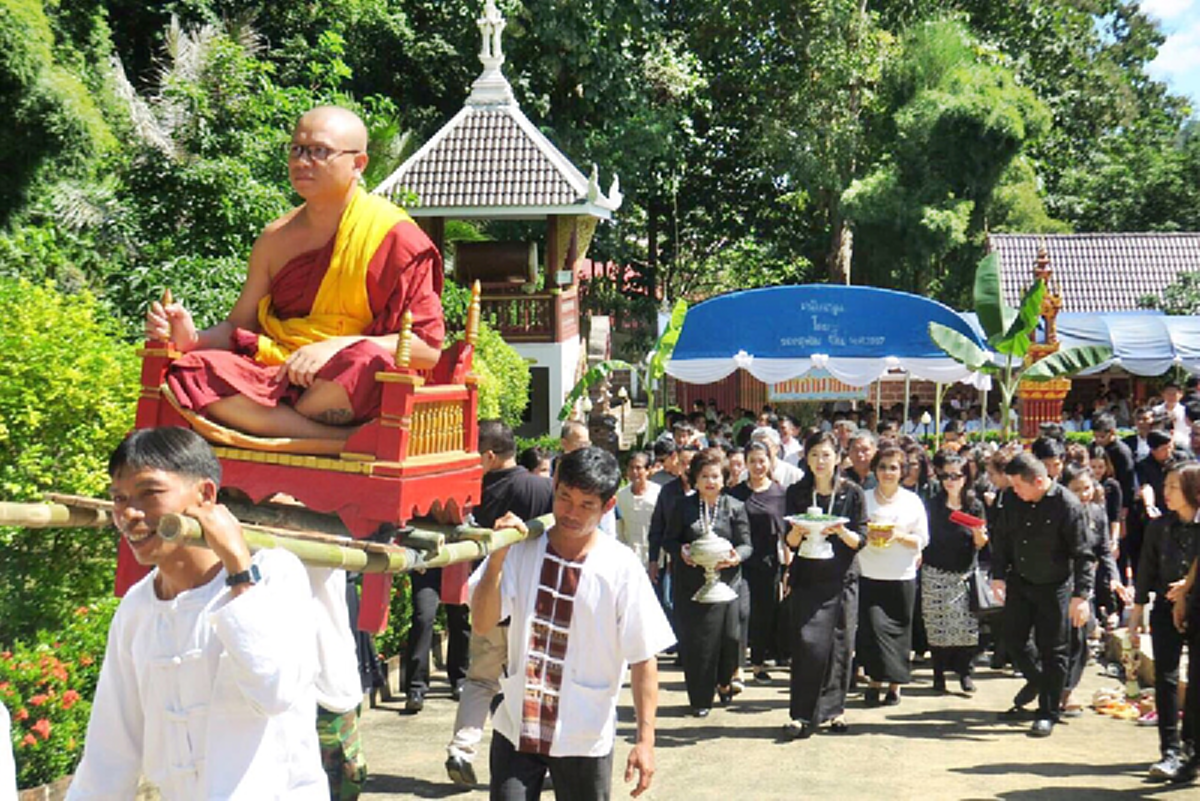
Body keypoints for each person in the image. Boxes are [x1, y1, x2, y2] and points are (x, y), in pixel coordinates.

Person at [149, 106, 444, 440]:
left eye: (319, 151)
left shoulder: (394, 236)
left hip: (345, 382)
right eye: (297, 149)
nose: (303, 161)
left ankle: (277, 423)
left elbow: (427, 348)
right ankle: (332, 439)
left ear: (358, 164)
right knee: (192, 371)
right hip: (280, 372)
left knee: (366, 359)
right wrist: (193, 338)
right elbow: (239, 326)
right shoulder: (276, 238)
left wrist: (333, 347)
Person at [67, 428, 325, 798]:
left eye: (149, 493)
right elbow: (109, 755)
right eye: (119, 498)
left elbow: (274, 691)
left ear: (205, 495)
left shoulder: (275, 574)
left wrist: (238, 570)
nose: (130, 514)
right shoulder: (136, 609)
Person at [469, 447, 675, 800]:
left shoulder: (621, 567)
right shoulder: (521, 549)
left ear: (608, 506)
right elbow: (483, 621)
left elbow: (643, 657)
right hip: (517, 724)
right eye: (565, 497)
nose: (570, 512)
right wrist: (497, 557)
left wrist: (645, 741)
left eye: (586, 505)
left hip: (584, 732)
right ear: (554, 486)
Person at [445, 420, 554, 787]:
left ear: (489, 456)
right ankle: (547, 760)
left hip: (487, 596)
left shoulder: (468, 491)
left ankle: (462, 749)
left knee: (480, 680)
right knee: (535, 683)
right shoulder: (543, 488)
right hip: (532, 601)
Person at [989, 452, 1095, 738]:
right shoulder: (1012, 499)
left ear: (1038, 481)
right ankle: (1040, 681)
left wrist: (1081, 595)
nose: (1015, 491)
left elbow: (1084, 554)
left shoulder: (1067, 506)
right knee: (1013, 640)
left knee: (1054, 650)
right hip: (1021, 580)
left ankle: (1048, 711)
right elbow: (1002, 538)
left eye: (1019, 486)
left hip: (1055, 585)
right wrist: (997, 574)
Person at [783, 432, 865, 738]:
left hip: (841, 578)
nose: (820, 461)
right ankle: (800, 714)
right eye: (815, 454)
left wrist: (838, 531)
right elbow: (788, 541)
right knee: (806, 645)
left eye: (826, 455)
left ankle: (835, 711)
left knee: (839, 645)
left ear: (838, 458)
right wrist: (802, 531)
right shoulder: (798, 492)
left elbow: (861, 539)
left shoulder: (852, 493)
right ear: (806, 457)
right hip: (807, 577)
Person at [662, 448, 752, 716]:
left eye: (715, 476)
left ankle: (725, 681)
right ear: (695, 478)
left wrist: (736, 557)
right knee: (698, 644)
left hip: (728, 583)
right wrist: (681, 552)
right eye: (704, 476)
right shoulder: (683, 506)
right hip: (692, 585)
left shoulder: (735, 507)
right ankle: (700, 699)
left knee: (729, 638)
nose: (710, 482)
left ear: (724, 478)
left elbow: (747, 545)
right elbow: (669, 539)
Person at [1130, 462, 1199, 782]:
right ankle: (1170, 750)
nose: (1166, 492)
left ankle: (1191, 748)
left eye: (1173, 486)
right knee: (1166, 678)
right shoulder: (1160, 526)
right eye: (1166, 486)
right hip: (1164, 608)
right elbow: (1146, 568)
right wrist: (1137, 610)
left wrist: (1187, 589)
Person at [859, 443, 929, 706]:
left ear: (902, 471)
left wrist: (898, 535)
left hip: (901, 574)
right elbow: (853, 533)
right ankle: (875, 681)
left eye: (894, 468)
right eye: (883, 467)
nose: (888, 472)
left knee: (900, 631)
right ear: (875, 470)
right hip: (869, 571)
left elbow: (923, 539)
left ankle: (895, 685)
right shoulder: (863, 498)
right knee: (872, 629)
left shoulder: (912, 501)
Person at [1059, 464, 1124, 717]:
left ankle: (1067, 689)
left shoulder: (1097, 512)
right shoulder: (1057, 514)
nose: (1083, 494)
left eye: (1087, 488)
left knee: (1080, 640)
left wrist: (1114, 578)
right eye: (1076, 490)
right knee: (1061, 640)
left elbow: (1104, 551)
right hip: (1059, 583)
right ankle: (1056, 688)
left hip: (1085, 586)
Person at [922, 453, 988, 694]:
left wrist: (979, 537)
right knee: (937, 626)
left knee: (966, 628)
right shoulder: (932, 503)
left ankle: (965, 674)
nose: (950, 481)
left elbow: (982, 543)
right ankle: (938, 675)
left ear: (965, 478)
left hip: (964, 572)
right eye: (945, 476)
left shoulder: (974, 505)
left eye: (955, 476)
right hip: (935, 570)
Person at [729, 441, 788, 683]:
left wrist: (788, 566)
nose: (757, 465)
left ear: (770, 461)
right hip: (740, 562)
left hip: (768, 561)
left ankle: (757, 664)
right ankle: (737, 668)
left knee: (764, 614)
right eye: (752, 460)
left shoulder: (780, 493)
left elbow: (786, 531)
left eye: (762, 460)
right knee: (741, 613)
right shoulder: (734, 493)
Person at [616, 451, 662, 570]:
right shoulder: (622, 496)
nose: (634, 472)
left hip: (656, 560)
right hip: (629, 560)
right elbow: (619, 528)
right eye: (631, 468)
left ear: (648, 470)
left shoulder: (659, 494)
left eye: (638, 468)